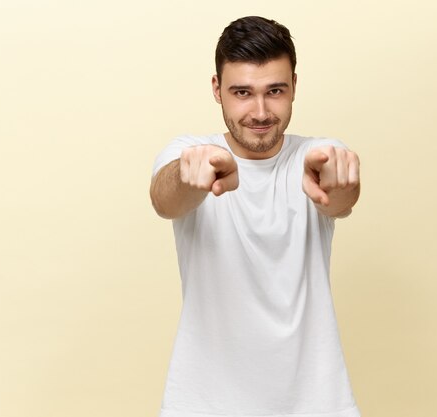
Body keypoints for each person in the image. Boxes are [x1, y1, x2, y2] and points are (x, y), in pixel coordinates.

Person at [150, 16, 361, 417]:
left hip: (316, 402)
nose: (260, 111)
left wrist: (338, 182)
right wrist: (190, 176)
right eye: (242, 92)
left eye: (275, 91)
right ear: (217, 89)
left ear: (294, 86)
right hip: (203, 403)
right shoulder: (190, 152)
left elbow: (340, 201)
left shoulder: (318, 154)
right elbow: (165, 201)